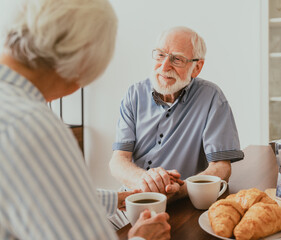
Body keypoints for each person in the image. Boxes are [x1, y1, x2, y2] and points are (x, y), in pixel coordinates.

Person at [0, 0, 170, 239]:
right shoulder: (32, 125)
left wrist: (118, 198)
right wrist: (141, 238)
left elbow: (43, 193)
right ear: (84, 62)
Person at [109, 26, 244, 200]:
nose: (165, 66)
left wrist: (183, 189)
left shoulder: (212, 98)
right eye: (160, 55)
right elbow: (118, 161)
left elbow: (221, 167)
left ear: (197, 67)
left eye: (177, 59)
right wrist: (145, 180)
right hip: (133, 196)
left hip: (183, 202)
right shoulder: (134, 94)